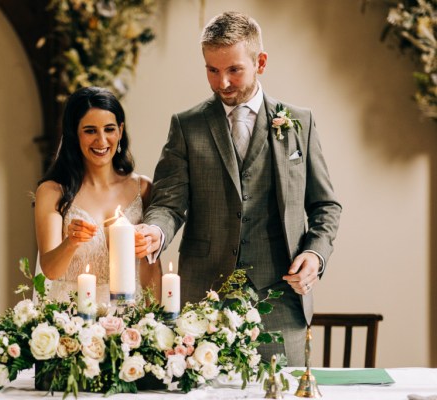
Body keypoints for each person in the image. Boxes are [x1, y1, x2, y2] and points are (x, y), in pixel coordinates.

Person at [135, 11, 341, 366]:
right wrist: (155, 230)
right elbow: (169, 204)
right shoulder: (187, 126)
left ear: (260, 62)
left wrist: (315, 254)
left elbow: (325, 206)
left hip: (281, 301)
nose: (222, 83)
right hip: (203, 302)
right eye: (212, 70)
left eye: (233, 70)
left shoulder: (298, 122)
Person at [33, 86, 161, 306]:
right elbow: (50, 270)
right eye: (90, 130)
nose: (101, 141)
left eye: (109, 129)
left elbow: (151, 269)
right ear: (75, 134)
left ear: (120, 131)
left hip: (128, 320)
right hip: (71, 319)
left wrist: (157, 323)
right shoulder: (53, 192)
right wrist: (71, 242)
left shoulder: (143, 188)